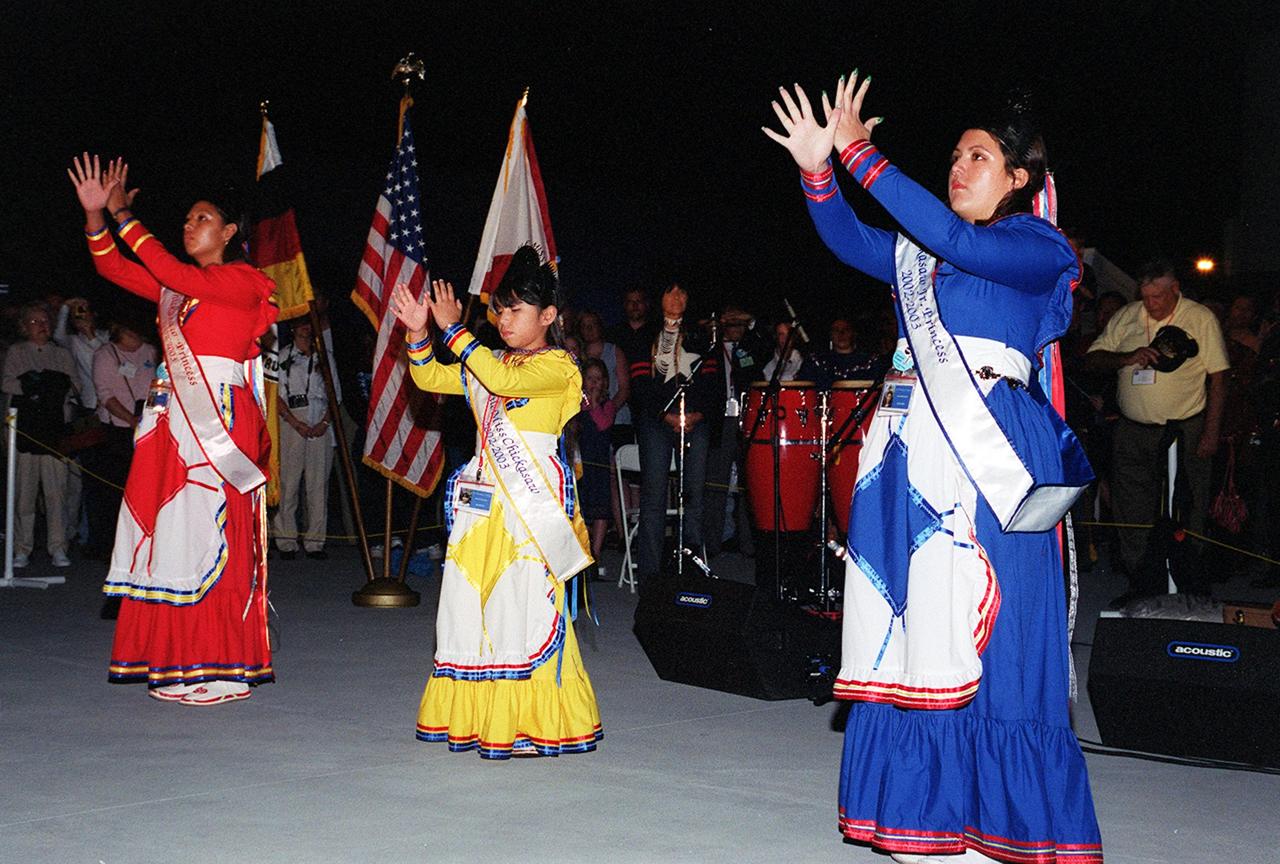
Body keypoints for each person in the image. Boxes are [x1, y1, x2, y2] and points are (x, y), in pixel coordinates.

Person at [765, 74, 1101, 862]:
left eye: (978, 157)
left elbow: (964, 244)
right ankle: (928, 816)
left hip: (991, 450)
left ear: (1018, 179)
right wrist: (820, 169)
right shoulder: (923, 256)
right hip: (911, 450)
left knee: (1000, 628)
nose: (958, 166)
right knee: (916, 629)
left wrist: (863, 154)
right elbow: (852, 241)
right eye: (954, 155)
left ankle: (1003, 827)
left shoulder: (1035, 247)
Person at [70, 154, 277, 706]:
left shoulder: (241, 280)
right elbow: (115, 269)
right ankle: (181, 658)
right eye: (186, 219)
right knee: (173, 537)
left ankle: (223, 664)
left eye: (202, 218)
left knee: (210, 534)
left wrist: (124, 215)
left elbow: (168, 269)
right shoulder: (178, 293)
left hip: (217, 418)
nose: (190, 226)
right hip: (172, 418)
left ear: (230, 232)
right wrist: (97, 218)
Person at [392, 246, 601, 759]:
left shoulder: (560, 366)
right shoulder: (489, 360)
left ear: (548, 316)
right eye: (500, 310)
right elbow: (433, 377)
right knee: (471, 608)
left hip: (530, 509)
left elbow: (504, 381)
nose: (505, 320)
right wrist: (420, 334)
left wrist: (453, 332)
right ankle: (487, 719)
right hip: (482, 507)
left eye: (517, 310)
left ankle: (533, 724)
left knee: (523, 609)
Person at [1086, 259, 1229, 602]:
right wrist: (1124, 358)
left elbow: (1219, 377)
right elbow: (1093, 359)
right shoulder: (1128, 316)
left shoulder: (1199, 317)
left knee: (1188, 502)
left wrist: (1211, 432)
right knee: (1131, 504)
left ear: (1175, 290)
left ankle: (1188, 580)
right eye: (1146, 296)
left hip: (1185, 427)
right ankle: (1141, 581)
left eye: (1158, 297)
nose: (1151, 304)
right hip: (1134, 428)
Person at [628, 283, 720, 588]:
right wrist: (664, 416)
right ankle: (651, 578)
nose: (677, 297)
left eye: (683, 292)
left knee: (693, 497)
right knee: (653, 497)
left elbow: (713, 384)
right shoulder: (646, 335)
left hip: (695, 423)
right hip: (657, 423)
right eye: (671, 291)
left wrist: (698, 414)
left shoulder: (701, 335)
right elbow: (640, 384)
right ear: (661, 297)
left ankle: (692, 571)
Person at [1, 302, 76, 568]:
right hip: (26, 432)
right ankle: (22, 547)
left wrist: (47, 386)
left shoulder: (61, 353)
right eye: (34, 321)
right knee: (25, 492)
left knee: (57, 492)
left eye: (44, 321)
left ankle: (58, 546)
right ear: (24, 326)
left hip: (54, 430)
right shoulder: (17, 351)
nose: (41, 325)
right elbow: (8, 382)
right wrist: (37, 384)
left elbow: (71, 384)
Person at [85, 318, 158, 565]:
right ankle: (110, 547)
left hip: (147, 427)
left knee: (144, 488)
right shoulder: (105, 354)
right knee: (112, 490)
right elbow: (105, 394)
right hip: (116, 429)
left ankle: (142, 544)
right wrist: (130, 419)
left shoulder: (149, 351)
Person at [273, 318, 341, 561]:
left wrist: (324, 422)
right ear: (292, 329)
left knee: (317, 483)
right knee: (289, 482)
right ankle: (286, 540)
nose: (306, 328)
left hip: (320, 417)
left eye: (308, 324)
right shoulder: (282, 356)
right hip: (293, 418)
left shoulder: (325, 356)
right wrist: (294, 422)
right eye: (301, 324)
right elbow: (275, 395)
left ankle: (315, 542)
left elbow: (335, 394)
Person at [575, 357, 619, 576]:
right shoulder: (575, 402)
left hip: (599, 462)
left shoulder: (607, 405)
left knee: (601, 506)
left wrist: (593, 404)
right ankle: (580, 551)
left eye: (598, 379)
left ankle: (597, 552)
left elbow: (603, 424)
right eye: (589, 378)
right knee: (581, 506)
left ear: (605, 382)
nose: (594, 383)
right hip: (581, 462)